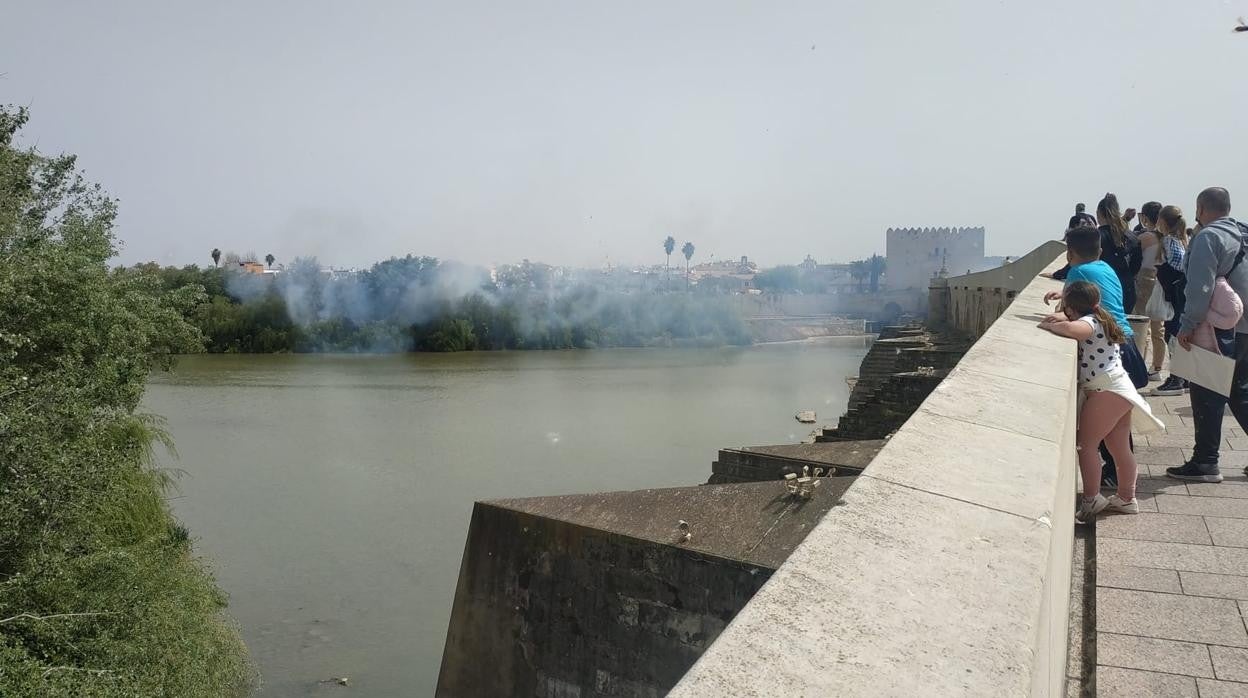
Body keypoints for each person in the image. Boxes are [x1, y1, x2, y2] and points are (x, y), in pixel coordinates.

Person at [1039, 281, 1162, 522]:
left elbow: (1074, 330)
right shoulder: (1100, 317)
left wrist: (1051, 325)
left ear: (1071, 309)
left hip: (1105, 390)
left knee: (1087, 446)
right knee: (1119, 447)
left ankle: (1091, 498)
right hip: (1120, 388)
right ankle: (1127, 498)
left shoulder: (1088, 323)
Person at [1168, 188, 1248, 483]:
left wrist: (1186, 325)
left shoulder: (1208, 237)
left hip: (1218, 330)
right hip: (1245, 329)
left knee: (1206, 395)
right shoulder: (1242, 233)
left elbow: (1200, 287)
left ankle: (1205, 463)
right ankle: (1205, 460)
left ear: (1200, 208)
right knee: (1241, 393)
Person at [1153, 205, 1190, 396]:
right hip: (1182, 293)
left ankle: (1176, 379)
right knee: (1177, 331)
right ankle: (1184, 378)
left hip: (1174, 294)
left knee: (1172, 333)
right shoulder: (1184, 239)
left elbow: (1178, 263)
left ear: (1163, 221)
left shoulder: (1169, 240)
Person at [1134, 201, 1166, 378]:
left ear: (1145, 217)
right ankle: (1157, 368)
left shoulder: (1145, 237)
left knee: (1142, 327)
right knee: (1158, 329)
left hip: (1145, 282)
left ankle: (1139, 365)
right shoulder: (1167, 237)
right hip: (1161, 283)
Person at [1097, 194, 1143, 314]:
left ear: (1099, 213)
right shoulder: (1132, 237)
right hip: (1127, 289)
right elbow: (1136, 265)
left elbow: (1082, 258)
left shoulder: (1097, 236)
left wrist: (1059, 274)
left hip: (1104, 290)